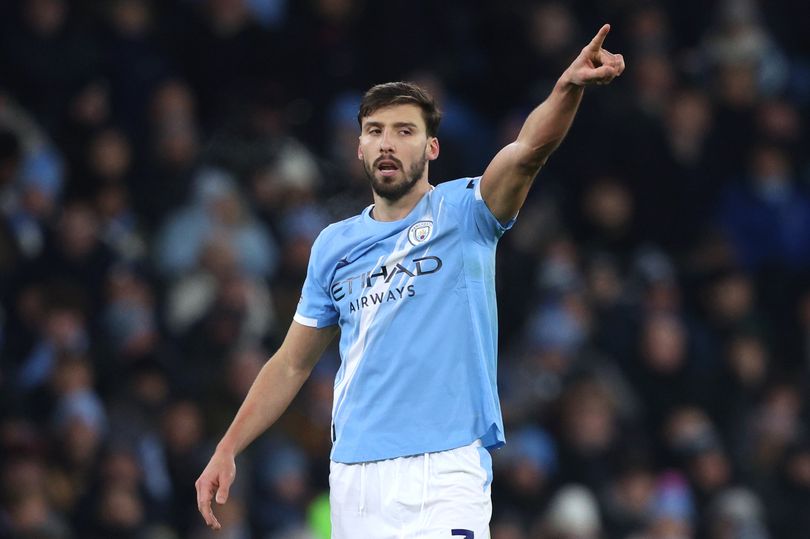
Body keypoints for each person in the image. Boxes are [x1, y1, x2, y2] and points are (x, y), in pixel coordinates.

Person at [195, 24, 625, 537]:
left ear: (433, 148)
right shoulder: (333, 245)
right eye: (375, 130)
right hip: (356, 472)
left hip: (446, 467)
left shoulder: (468, 211)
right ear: (358, 147)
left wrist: (567, 88)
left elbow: (529, 148)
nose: (387, 143)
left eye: (404, 130)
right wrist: (228, 446)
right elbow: (290, 363)